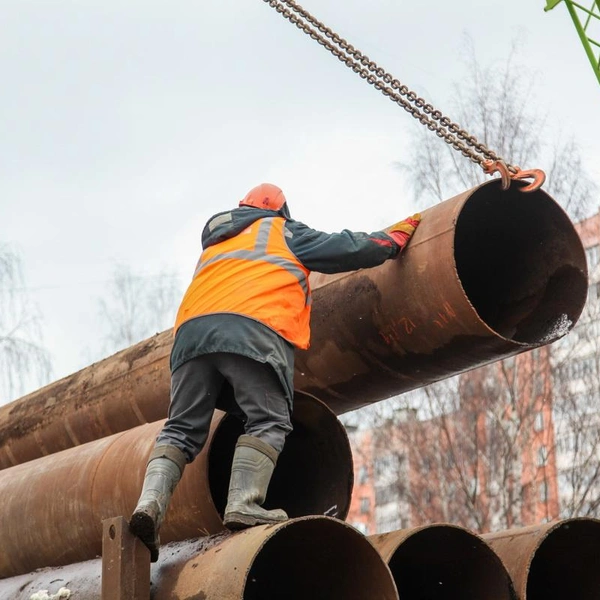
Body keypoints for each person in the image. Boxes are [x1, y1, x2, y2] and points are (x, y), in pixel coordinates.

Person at [129, 183, 421, 561]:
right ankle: (244, 502)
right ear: (280, 211)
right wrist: (393, 238)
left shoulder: (217, 243)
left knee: (181, 429)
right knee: (269, 419)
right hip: (250, 330)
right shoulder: (282, 231)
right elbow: (347, 249)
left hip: (189, 338)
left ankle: (149, 505)